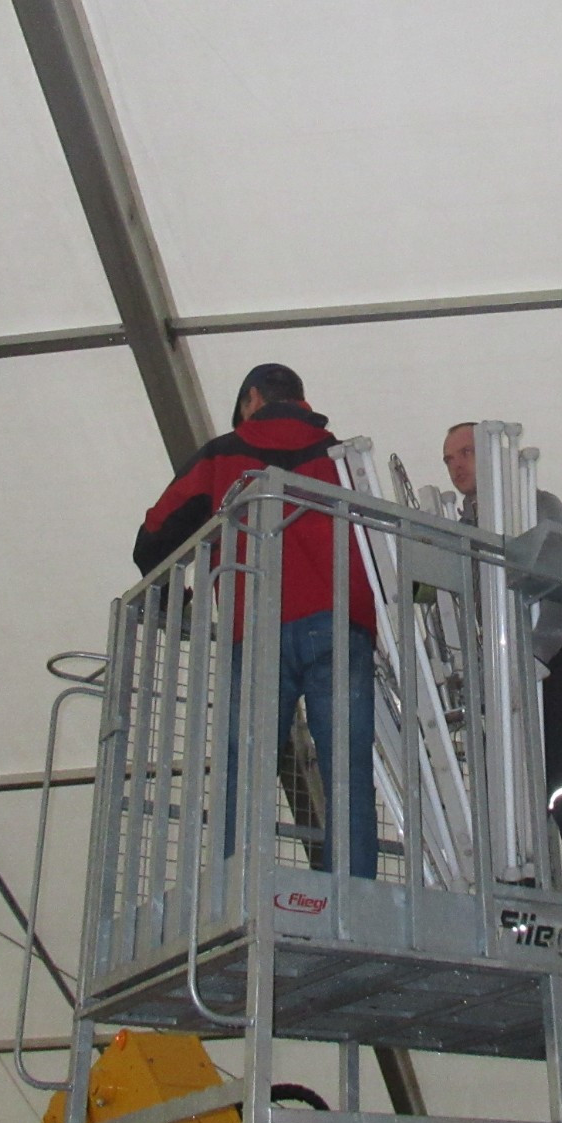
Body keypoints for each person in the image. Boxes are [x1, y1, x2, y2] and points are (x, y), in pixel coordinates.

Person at [136, 365, 377, 878]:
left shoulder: (222, 455)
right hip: (341, 623)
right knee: (348, 769)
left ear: (252, 399)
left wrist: (173, 598)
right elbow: (381, 546)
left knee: (243, 768)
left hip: (257, 626)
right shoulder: (344, 457)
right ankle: (353, 890)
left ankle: (235, 885)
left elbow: (156, 532)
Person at [443, 422, 562, 910]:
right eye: (449, 459)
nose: (457, 465)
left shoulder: (536, 503)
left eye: (466, 452)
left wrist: (537, 654)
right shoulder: (465, 528)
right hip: (515, 667)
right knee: (520, 789)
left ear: (492, 455)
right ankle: (530, 898)